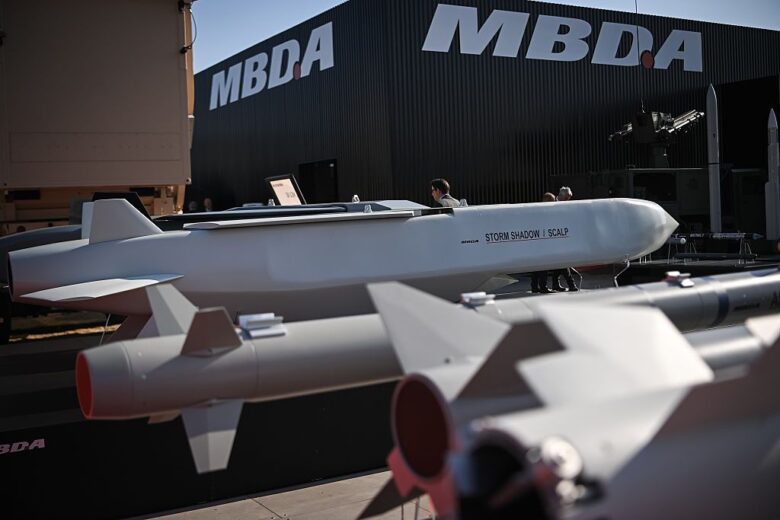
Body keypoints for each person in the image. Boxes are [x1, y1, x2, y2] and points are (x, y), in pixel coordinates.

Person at [550, 186, 579, 292]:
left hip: (562, 237)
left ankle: (555, 284)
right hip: (556, 237)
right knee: (563, 262)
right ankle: (571, 284)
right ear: (562, 196)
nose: (568, 200)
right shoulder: (553, 203)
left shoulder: (563, 204)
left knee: (560, 262)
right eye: (567, 198)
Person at [531, 192, 558, 293]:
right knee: (543, 265)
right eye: (552, 201)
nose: (554, 203)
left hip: (537, 242)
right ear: (547, 200)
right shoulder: (544, 211)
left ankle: (534, 286)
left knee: (536, 266)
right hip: (542, 242)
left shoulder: (536, 210)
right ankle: (543, 286)